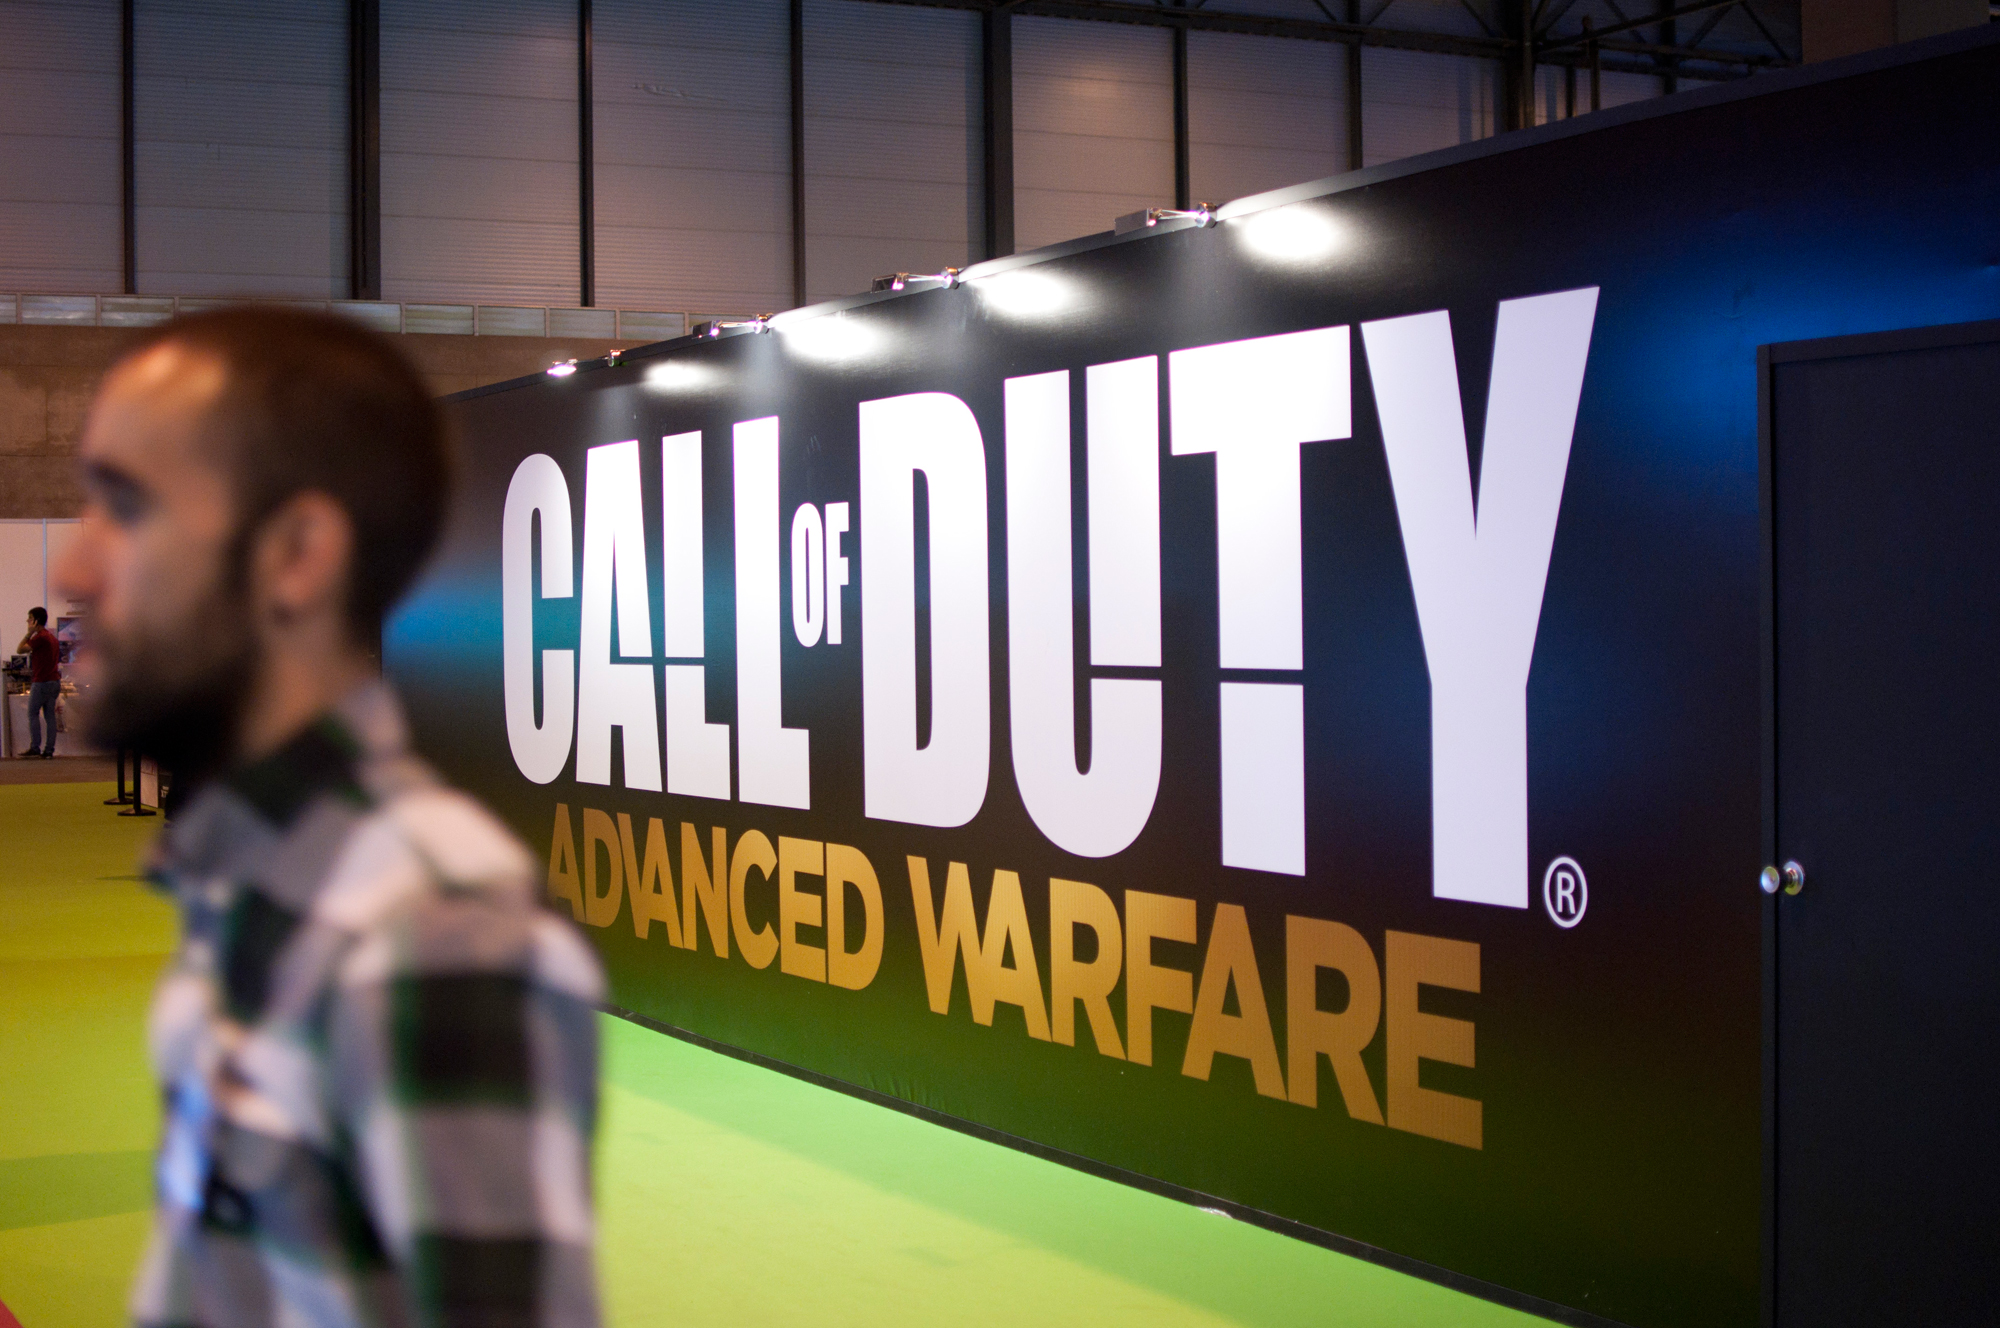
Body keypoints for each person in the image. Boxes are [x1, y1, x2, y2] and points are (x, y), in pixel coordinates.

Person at [53, 308, 604, 1328]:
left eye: (126, 507)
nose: (73, 571)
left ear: (297, 554)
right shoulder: (244, 873)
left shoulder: (429, 933)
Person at [14, 607, 61, 757]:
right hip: (54, 681)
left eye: (30, 618)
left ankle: (35, 747)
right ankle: (49, 750)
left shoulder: (40, 637)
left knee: (32, 713)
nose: (27, 621)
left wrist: (29, 633)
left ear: (36, 621)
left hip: (41, 681)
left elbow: (20, 650)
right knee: (50, 716)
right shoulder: (52, 637)